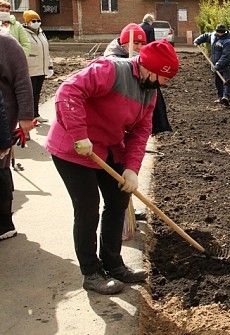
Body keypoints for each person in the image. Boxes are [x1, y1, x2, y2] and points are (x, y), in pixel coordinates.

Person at [45, 40, 179, 294]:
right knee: (87, 209)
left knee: (118, 200)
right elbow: (68, 91)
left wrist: (131, 169)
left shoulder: (149, 91)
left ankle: (114, 264)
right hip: (74, 148)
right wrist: (79, 134)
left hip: (106, 148)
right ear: (149, 67)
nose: (164, 84)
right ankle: (91, 272)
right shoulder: (111, 70)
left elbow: (141, 131)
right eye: (163, 77)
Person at [104, 24, 172, 135]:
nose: (140, 47)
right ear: (123, 43)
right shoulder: (112, 61)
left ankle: (158, 125)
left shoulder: (141, 60)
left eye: (143, 44)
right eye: (136, 43)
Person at [0, 31, 34, 240]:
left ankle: (4, 223)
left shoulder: (7, 44)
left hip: (3, 117)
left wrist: (26, 117)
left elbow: (22, 81)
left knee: (1, 167)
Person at [22, 10, 54, 123]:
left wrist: (50, 66)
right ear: (27, 22)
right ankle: (27, 118)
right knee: (28, 95)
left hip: (41, 68)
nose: (36, 22)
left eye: (38, 20)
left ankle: (36, 114)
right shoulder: (23, 33)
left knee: (37, 93)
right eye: (33, 21)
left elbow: (46, 51)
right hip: (30, 69)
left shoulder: (41, 32)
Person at [194, 24, 230, 105]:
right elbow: (205, 36)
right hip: (215, 64)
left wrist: (217, 65)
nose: (219, 34)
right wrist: (198, 40)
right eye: (218, 32)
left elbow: (226, 56)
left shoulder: (228, 42)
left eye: (221, 33)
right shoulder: (213, 36)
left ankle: (226, 97)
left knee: (226, 81)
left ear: (225, 32)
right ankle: (220, 97)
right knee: (218, 82)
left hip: (226, 65)